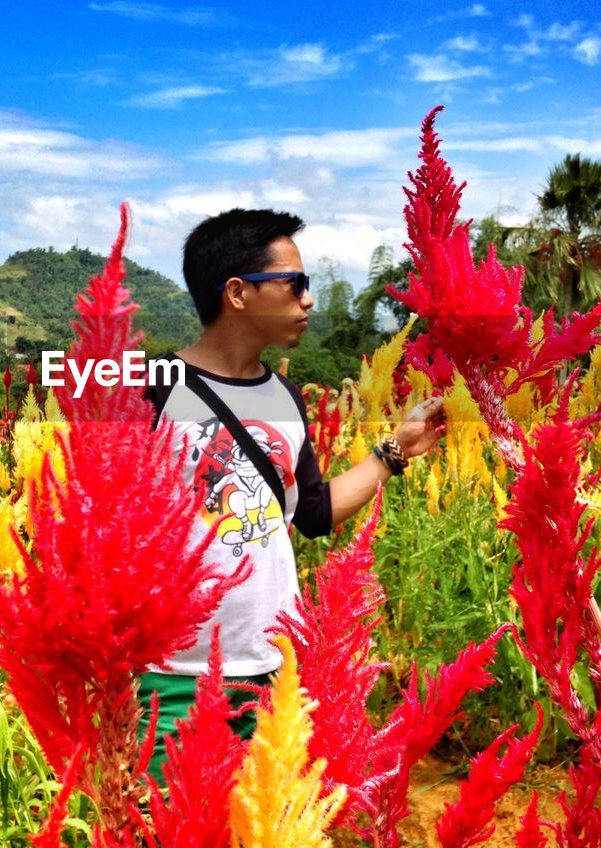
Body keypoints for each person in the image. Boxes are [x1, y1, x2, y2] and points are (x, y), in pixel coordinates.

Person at [139, 208, 446, 783]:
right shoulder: (148, 390)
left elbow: (309, 512)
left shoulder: (284, 396)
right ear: (237, 293)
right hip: (174, 678)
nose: (307, 300)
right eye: (294, 283)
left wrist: (395, 450)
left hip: (272, 673)